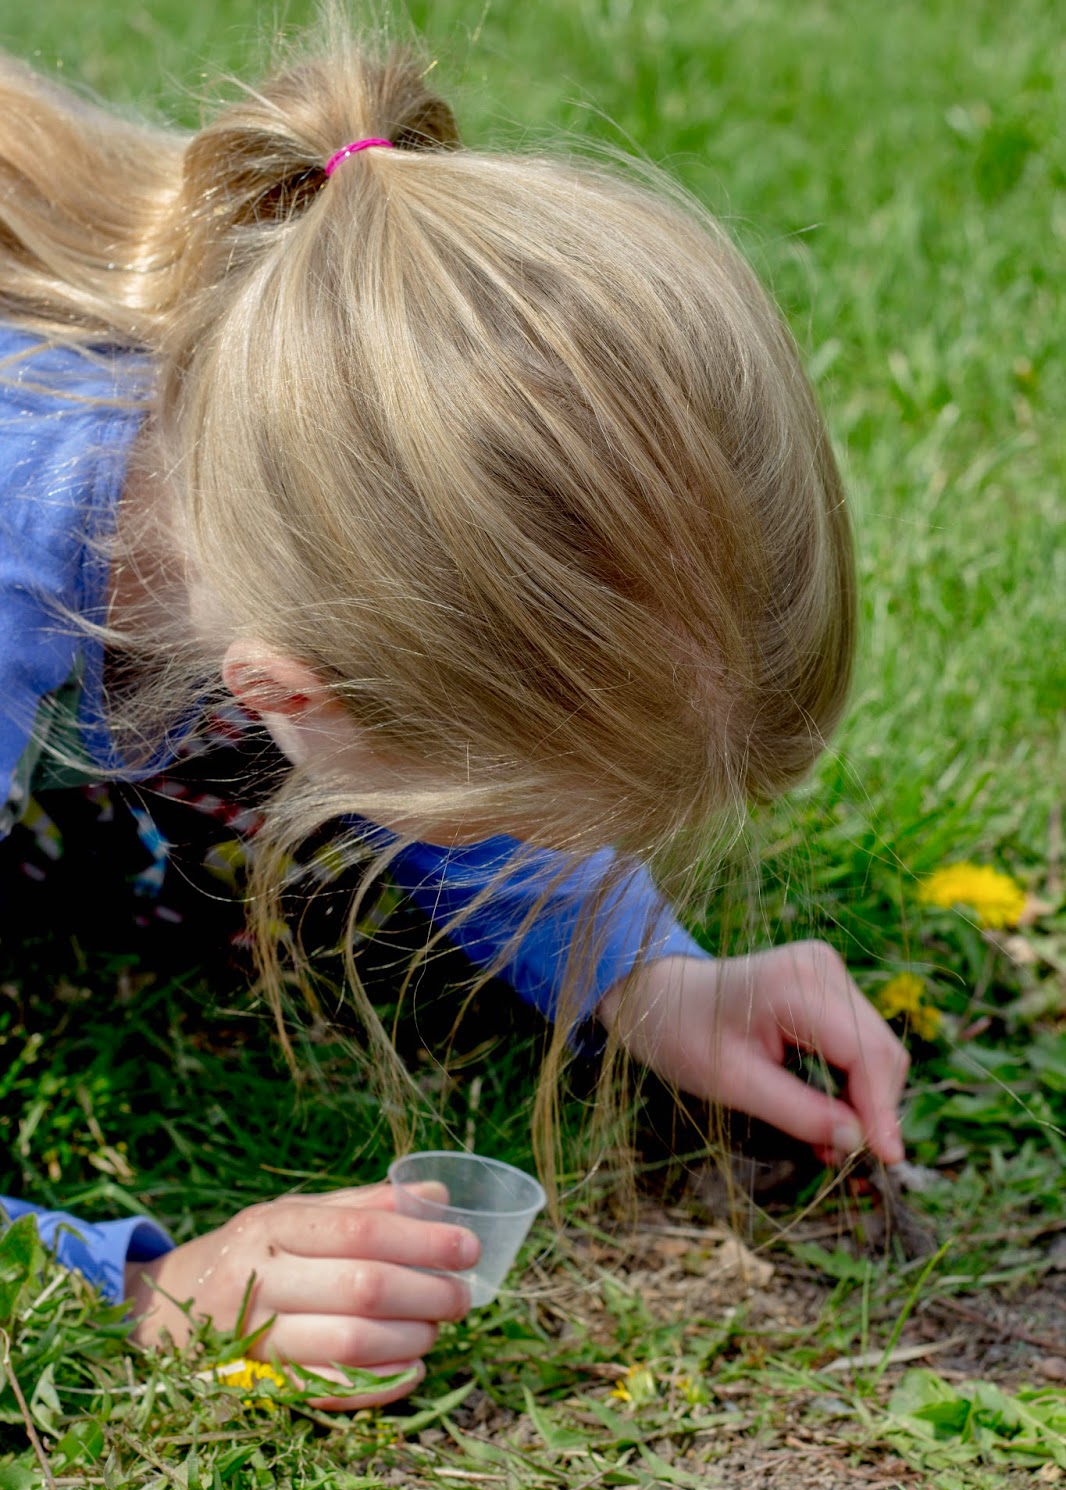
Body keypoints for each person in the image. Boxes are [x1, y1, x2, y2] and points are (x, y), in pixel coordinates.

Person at [0, 13, 909, 1411]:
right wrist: (133, 1289)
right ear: (277, 695)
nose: (519, 842)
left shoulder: (287, 338)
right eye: (492, 814)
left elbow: (439, 661)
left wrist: (637, 966)